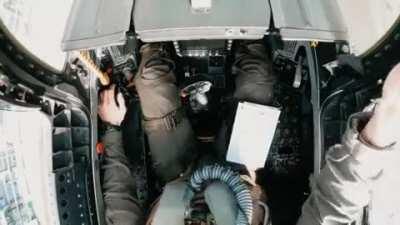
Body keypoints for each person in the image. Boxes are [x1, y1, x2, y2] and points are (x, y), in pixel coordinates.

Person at [98, 41, 400, 225]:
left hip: (178, 175)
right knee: (258, 72)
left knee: (151, 75)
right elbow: (331, 208)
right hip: (242, 172)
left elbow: (119, 200)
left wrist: (112, 127)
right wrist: (378, 132)